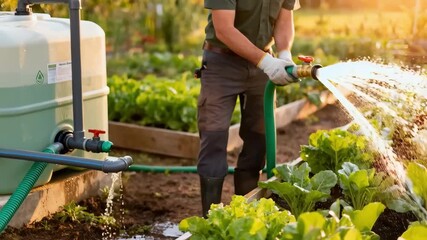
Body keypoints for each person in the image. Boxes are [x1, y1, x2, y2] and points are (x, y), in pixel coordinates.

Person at [196, 0, 301, 217]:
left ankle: (244, 213)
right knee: (214, 139)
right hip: (222, 63)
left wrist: (284, 54)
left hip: (261, 65)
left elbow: (284, 18)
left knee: (258, 140)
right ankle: (210, 218)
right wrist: (266, 62)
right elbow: (223, 29)